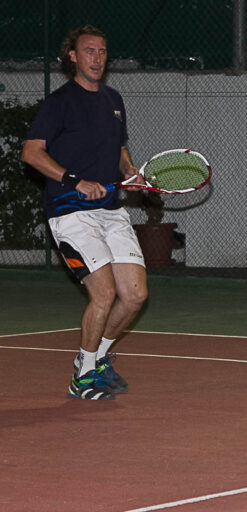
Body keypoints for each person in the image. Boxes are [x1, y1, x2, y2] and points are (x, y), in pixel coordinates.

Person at [21, 25, 147, 400]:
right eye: (89, 51)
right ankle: (83, 377)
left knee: (135, 295)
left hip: (110, 210)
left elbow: (119, 149)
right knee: (104, 293)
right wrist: (74, 181)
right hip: (70, 211)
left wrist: (129, 171)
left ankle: (96, 358)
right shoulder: (58, 102)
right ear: (73, 56)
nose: (97, 58)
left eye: (102, 51)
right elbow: (31, 153)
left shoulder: (114, 100)